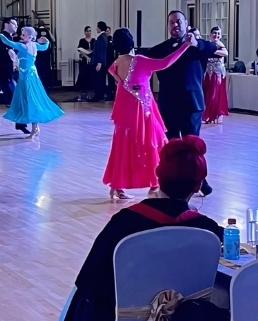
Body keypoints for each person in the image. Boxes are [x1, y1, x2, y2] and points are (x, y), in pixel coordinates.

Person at [59, 137, 224, 321]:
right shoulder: (208, 231)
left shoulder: (124, 223)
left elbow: (88, 280)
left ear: (158, 175)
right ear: (198, 186)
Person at [103, 28, 195, 199]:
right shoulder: (139, 60)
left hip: (126, 112)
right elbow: (165, 63)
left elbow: (117, 78)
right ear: (131, 42)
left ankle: (118, 187)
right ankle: (154, 184)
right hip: (142, 111)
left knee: (124, 146)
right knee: (155, 142)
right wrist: (186, 46)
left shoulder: (116, 63)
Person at [143, 11, 219, 196]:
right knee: (171, 145)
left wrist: (196, 42)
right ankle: (173, 181)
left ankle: (200, 180)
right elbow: (142, 60)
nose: (175, 25)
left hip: (191, 103)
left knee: (192, 145)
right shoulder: (160, 49)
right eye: (171, 22)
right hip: (168, 103)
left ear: (186, 24)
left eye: (178, 22)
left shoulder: (198, 46)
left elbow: (213, 47)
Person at [2, 27, 64, 136]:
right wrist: (47, 41)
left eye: (23, 35)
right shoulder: (34, 45)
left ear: (30, 37)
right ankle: (35, 127)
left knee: (30, 100)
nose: (21, 36)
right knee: (29, 99)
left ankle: (34, 128)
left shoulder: (23, 46)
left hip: (27, 77)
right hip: (28, 75)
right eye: (22, 34)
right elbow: (44, 46)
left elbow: (8, 42)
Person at [202, 27, 229, 124]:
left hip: (217, 73)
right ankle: (208, 115)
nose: (216, 35)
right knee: (207, 94)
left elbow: (226, 53)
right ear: (210, 34)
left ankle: (214, 115)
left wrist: (212, 51)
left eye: (218, 34)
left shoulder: (219, 44)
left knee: (215, 94)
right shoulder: (208, 44)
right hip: (208, 73)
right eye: (214, 33)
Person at [88, 21, 111, 102]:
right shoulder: (104, 36)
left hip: (98, 62)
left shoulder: (101, 37)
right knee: (100, 79)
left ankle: (98, 96)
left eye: (97, 27)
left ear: (100, 27)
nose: (96, 29)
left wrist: (99, 63)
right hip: (100, 62)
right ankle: (99, 95)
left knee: (98, 80)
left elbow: (101, 51)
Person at [74, 26, 94, 101]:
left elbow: (94, 49)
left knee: (90, 76)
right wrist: (86, 57)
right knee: (83, 75)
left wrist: (90, 55)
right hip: (84, 60)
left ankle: (90, 94)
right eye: (88, 31)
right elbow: (80, 49)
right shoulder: (82, 40)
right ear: (85, 32)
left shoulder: (93, 40)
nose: (89, 32)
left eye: (90, 31)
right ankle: (81, 93)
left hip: (92, 59)